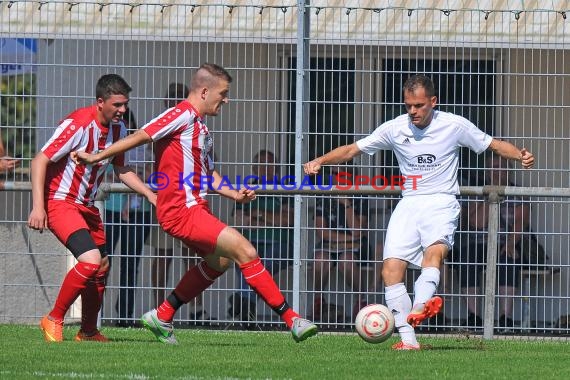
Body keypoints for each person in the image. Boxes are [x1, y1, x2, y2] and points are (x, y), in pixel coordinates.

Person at [74, 63, 318, 344]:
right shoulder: (180, 114)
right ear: (204, 91)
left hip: (196, 208)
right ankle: (293, 320)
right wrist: (96, 156)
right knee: (245, 250)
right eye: (223, 93)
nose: (226, 100)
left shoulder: (200, 126)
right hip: (181, 210)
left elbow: (209, 174)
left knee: (221, 261)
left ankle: (163, 315)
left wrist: (235, 194)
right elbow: (142, 135)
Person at [303, 74, 534, 350]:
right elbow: (353, 149)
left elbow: (493, 144)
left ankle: (422, 304)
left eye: (419, 105)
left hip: (441, 201)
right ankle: (409, 340)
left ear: (433, 102)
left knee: (434, 253)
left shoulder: (453, 125)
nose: (412, 111)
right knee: (390, 270)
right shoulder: (395, 128)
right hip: (409, 202)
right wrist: (320, 160)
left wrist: (520, 156)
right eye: (408, 105)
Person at [27, 74, 157, 342]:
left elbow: (121, 168)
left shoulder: (119, 130)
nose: (123, 110)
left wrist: (149, 194)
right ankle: (53, 318)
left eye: (125, 105)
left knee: (102, 266)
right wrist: (38, 207)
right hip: (61, 202)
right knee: (91, 260)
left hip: (86, 207)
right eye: (117, 105)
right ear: (100, 102)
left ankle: (88, 331)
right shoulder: (78, 124)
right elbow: (39, 160)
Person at [457, 154, 530, 331]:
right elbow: (477, 223)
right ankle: (474, 317)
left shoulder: (518, 193)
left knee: (509, 258)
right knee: (467, 257)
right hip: (479, 243)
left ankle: (505, 318)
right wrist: (492, 194)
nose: (496, 171)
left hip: (506, 241)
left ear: (509, 170)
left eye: (500, 167)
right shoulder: (479, 191)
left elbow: (521, 222)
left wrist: (512, 243)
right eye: (492, 167)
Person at [230, 149, 293, 326]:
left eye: (271, 165)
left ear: (277, 168)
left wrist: (257, 214)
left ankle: (242, 304)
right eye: (262, 165)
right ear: (255, 168)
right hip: (250, 243)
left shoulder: (284, 188)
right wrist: (272, 218)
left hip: (280, 244)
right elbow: (240, 221)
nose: (267, 169)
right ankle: (246, 312)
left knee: (259, 267)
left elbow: (287, 221)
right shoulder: (247, 189)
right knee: (245, 262)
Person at [104, 108, 153, 327]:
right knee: (104, 262)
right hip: (112, 210)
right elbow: (111, 171)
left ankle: (124, 315)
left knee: (130, 264)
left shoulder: (142, 147)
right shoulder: (108, 144)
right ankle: (96, 314)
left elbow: (148, 174)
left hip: (138, 212)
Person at [312, 166, 370, 323]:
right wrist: (348, 239)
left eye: (340, 174)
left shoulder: (361, 197)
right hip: (329, 246)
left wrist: (347, 204)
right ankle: (318, 300)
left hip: (355, 249)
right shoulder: (323, 196)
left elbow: (357, 232)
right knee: (320, 260)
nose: (336, 177)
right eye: (333, 174)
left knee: (347, 261)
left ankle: (361, 300)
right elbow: (322, 232)